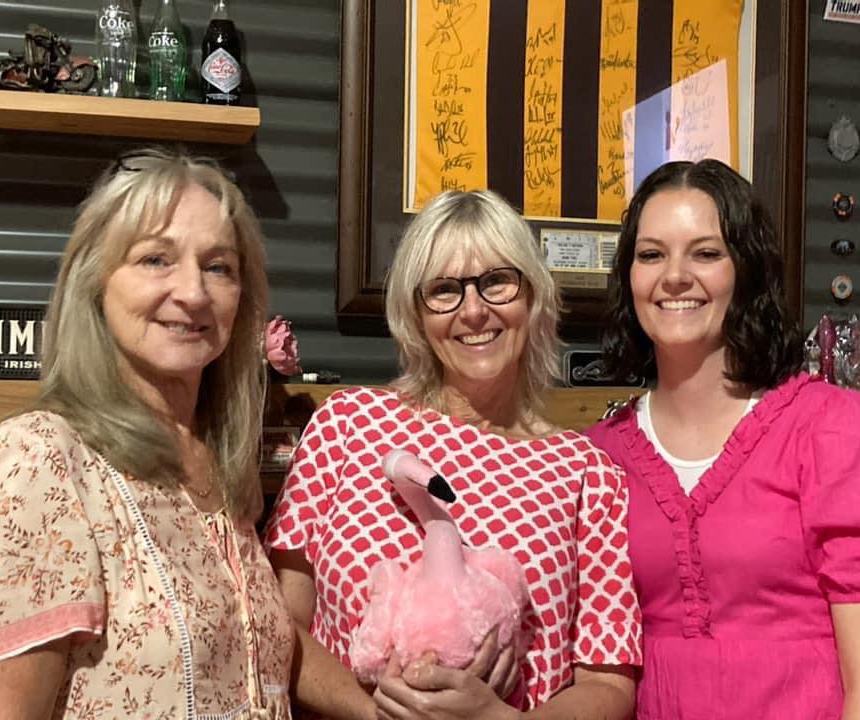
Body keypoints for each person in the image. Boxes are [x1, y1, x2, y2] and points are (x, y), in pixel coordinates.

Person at [0, 148, 371, 720]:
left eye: (219, 266)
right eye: (155, 259)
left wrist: (379, 712)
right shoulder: (34, 461)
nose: (193, 293)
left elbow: (256, 642)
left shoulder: (216, 460)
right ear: (95, 281)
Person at [265, 189, 642, 719]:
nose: (473, 311)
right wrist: (379, 712)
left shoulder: (588, 473)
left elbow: (608, 684)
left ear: (532, 296)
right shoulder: (346, 426)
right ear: (416, 314)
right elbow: (279, 624)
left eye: (496, 282)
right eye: (444, 290)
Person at [586, 158, 860, 719]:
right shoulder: (598, 454)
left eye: (706, 253)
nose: (675, 276)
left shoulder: (838, 431)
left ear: (748, 271)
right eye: (651, 254)